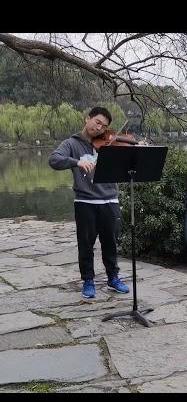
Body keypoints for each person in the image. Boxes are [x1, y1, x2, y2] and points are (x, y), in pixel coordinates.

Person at [49, 106, 130, 300]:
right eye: (97, 122)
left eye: (104, 127)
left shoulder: (109, 144)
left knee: (110, 242)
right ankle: (88, 281)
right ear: (88, 119)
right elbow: (54, 159)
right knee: (85, 244)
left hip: (110, 199)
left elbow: (127, 165)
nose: (99, 128)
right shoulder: (71, 143)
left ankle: (113, 278)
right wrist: (76, 162)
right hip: (85, 201)